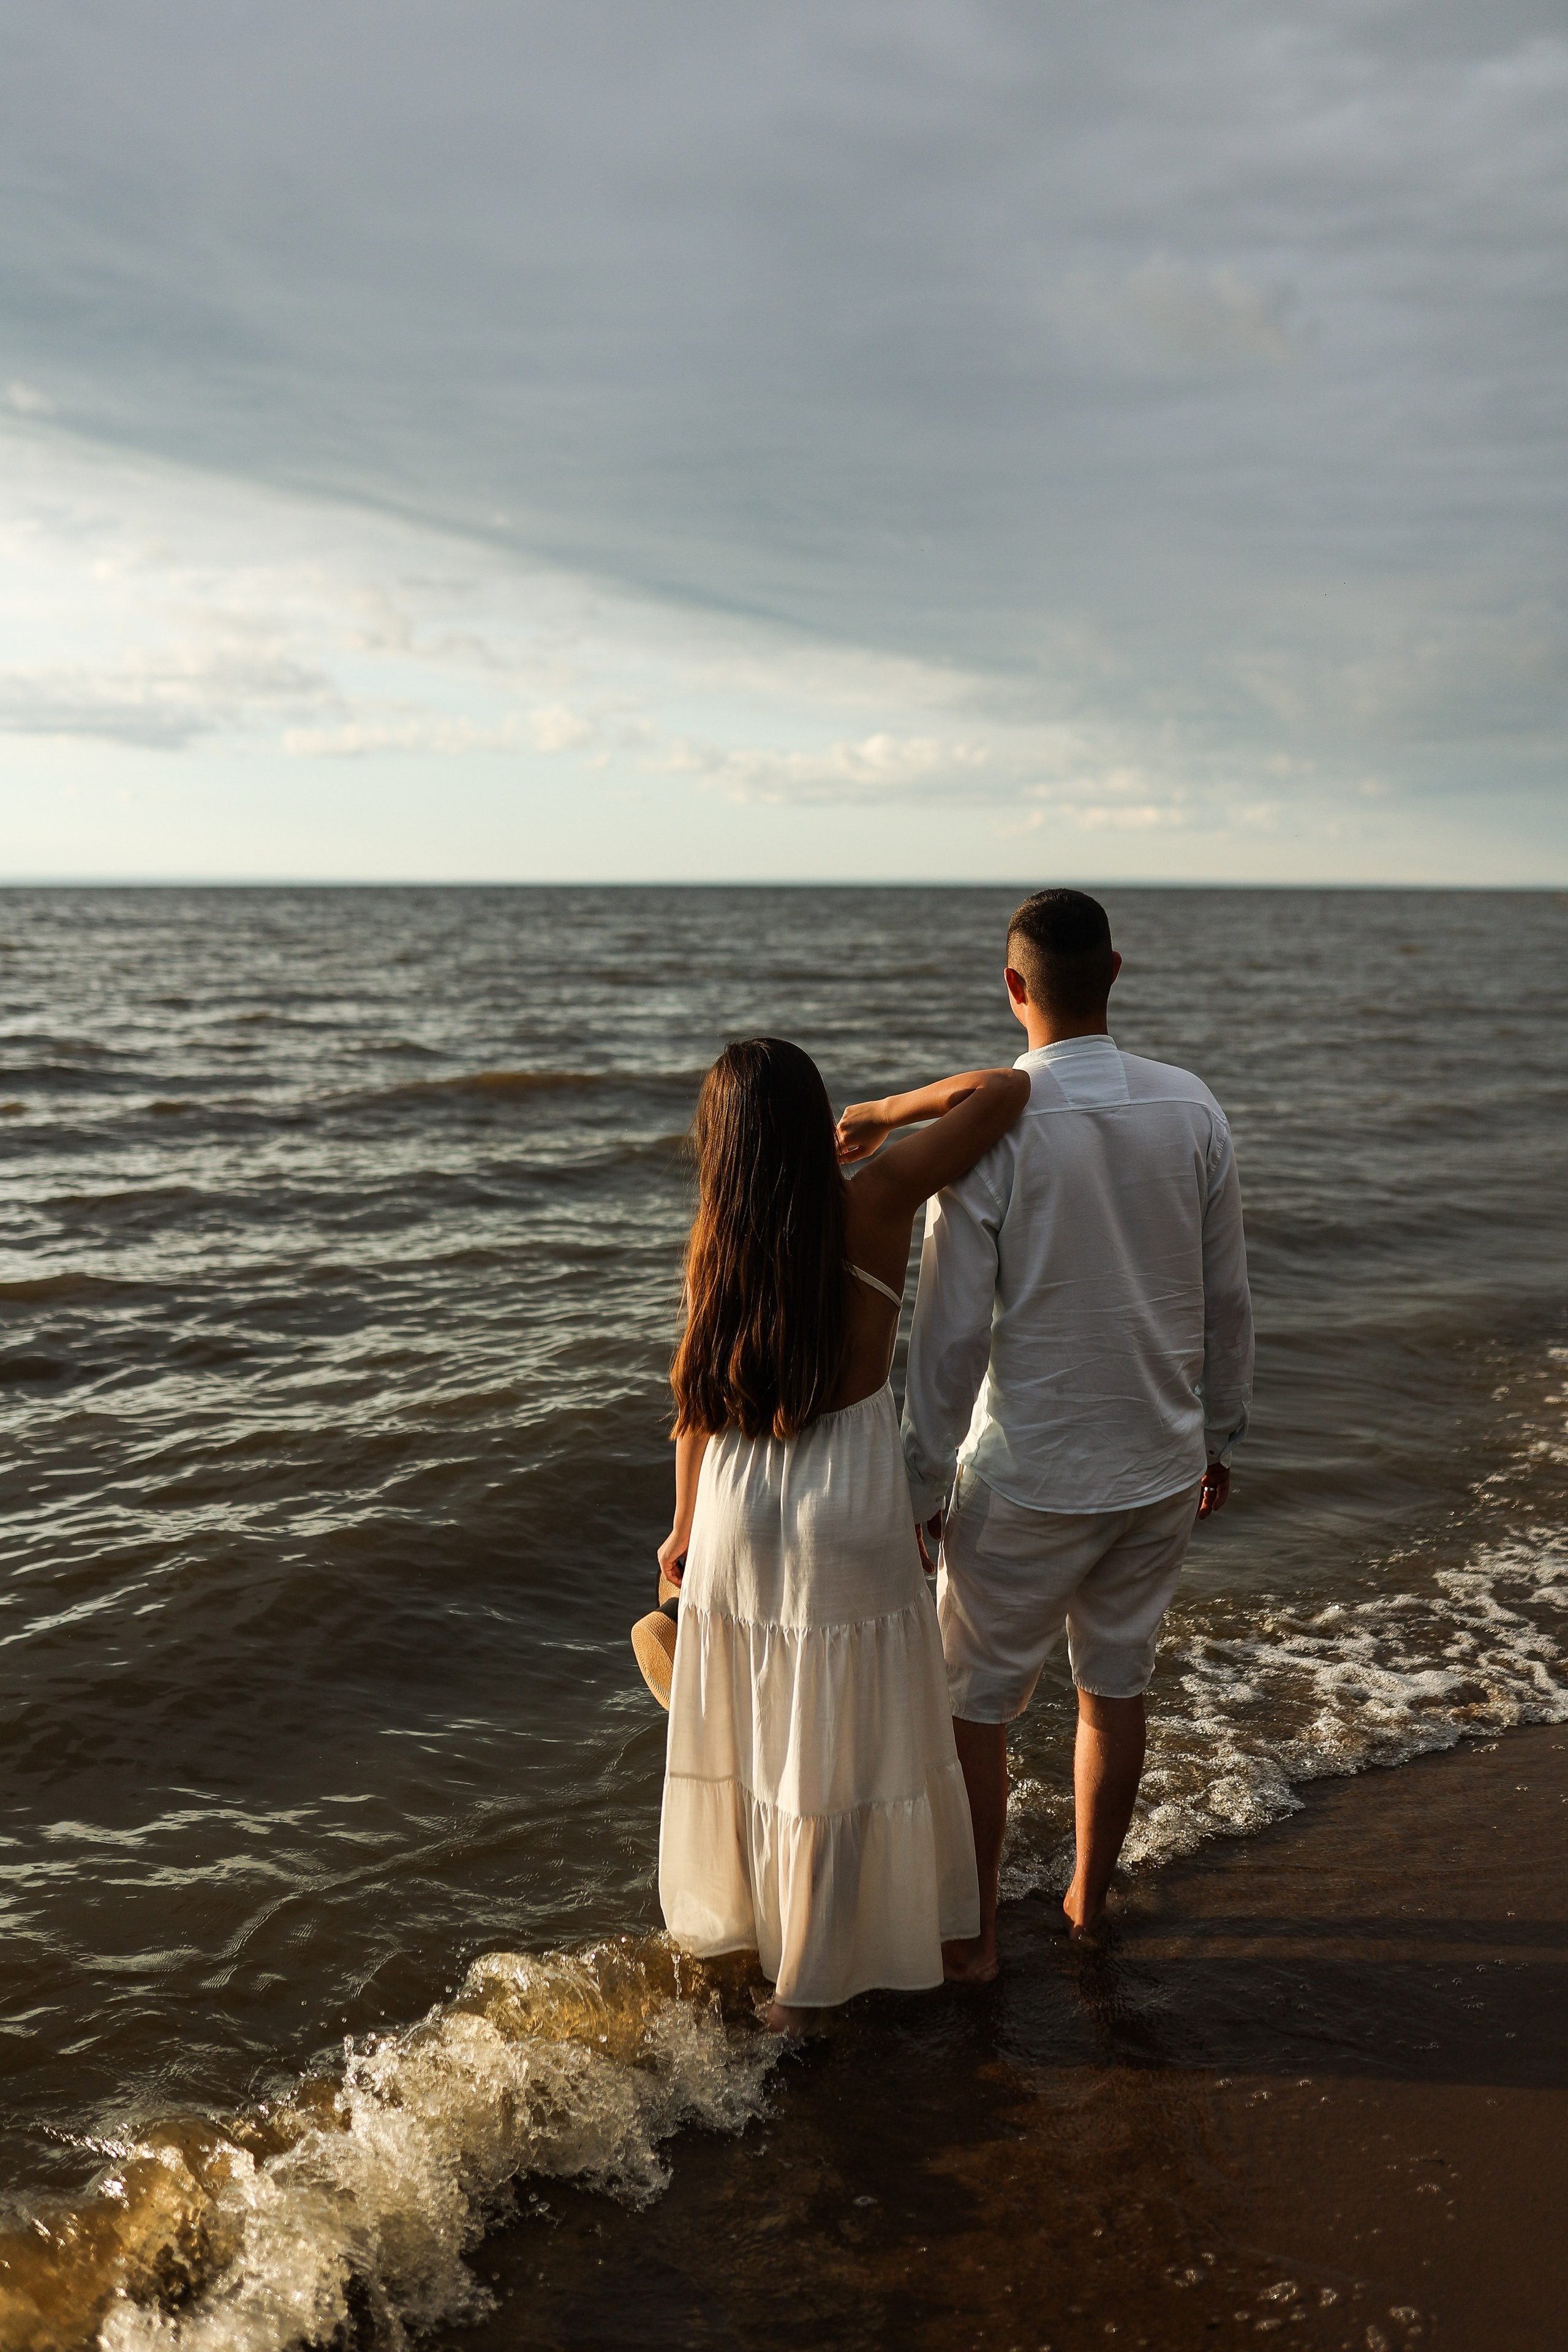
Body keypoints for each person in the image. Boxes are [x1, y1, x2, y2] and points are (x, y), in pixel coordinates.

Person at [846, 889, 1253, 1974]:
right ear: (1114, 971)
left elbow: (949, 1340)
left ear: (1012, 987)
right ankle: (1086, 1905)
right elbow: (1227, 1299)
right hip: (1160, 1464)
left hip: (1028, 1477)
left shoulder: (993, 1131)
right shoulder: (1194, 1108)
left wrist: (920, 1484)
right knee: (1115, 1685)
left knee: (972, 1705)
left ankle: (977, 1935)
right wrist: (1220, 1438)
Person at [655, 1037, 1030, 2034]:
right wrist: (885, 1113)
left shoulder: (717, 1241)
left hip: (737, 1501)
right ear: (809, 1121)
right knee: (832, 1750)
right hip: (847, 1499)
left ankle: (757, 1934)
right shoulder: (879, 1196)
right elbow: (1003, 1091)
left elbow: (696, 1400)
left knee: (758, 1731)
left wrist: (683, 1525)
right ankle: (811, 1988)